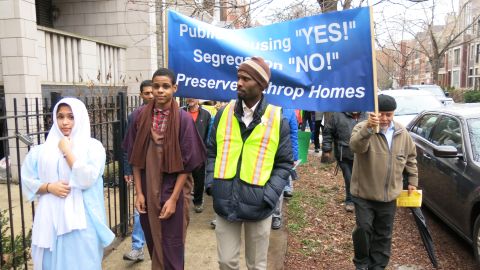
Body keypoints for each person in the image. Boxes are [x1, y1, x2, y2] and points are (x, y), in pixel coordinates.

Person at [205, 56, 293, 269]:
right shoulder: (223, 113)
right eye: (238, 77)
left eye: (246, 78)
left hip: (259, 203)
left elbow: (283, 164)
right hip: (225, 200)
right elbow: (211, 152)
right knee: (226, 262)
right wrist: (211, 184)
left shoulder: (277, 119)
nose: (239, 83)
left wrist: (269, 195)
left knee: (256, 265)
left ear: (262, 85)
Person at [125, 68, 206, 269]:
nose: (160, 91)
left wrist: (173, 199)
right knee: (153, 238)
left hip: (174, 189)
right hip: (147, 186)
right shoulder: (139, 117)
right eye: (156, 86)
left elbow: (187, 165)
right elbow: (135, 158)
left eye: (166, 86)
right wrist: (139, 193)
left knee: (172, 242)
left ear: (174, 88)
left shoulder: (183, 120)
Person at [21, 97, 115, 269]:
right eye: (60, 116)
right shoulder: (40, 151)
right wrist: (49, 187)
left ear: (80, 118)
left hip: (82, 223)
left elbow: (87, 178)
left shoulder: (93, 148)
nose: (65, 122)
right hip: (49, 222)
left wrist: (66, 151)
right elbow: (27, 181)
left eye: (71, 117)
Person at [349, 95, 418, 270]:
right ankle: (362, 262)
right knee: (364, 229)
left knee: (383, 234)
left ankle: (378, 265)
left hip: (389, 196)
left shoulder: (402, 133)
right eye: (382, 114)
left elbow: (411, 158)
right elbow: (356, 147)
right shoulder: (362, 128)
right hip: (364, 193)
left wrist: (412, 180)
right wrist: (368, 128)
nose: (385, 119)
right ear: (374, 113)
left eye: (389, 114)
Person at [122, 80, 153, 261]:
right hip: (142, 170)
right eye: (146, 93)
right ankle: (137, 247)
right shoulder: (134, 116)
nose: (150, 96)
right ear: (141, 94)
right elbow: (128, 146)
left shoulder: (167, 114)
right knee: (140, 207)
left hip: (163, 173)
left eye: (152, 92)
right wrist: (128, 169)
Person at [321, 112, 367, 212]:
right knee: (349, 178)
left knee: (363, 179)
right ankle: (350, 200)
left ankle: (362, 200)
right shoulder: (337, 115)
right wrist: (327, 149)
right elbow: (328, 132)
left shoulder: (367, 115)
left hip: (363, 155)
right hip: (344, 154)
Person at [183, 98, 211, 213]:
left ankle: (198, 202)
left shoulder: (206, 114)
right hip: (183, 153)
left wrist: (205, 149)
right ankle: (181, 202)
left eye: (193, 97)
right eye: (188, 97)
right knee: (181, 179)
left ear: (198, 99)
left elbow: (209, 133)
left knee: (199, 180)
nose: (190, 99)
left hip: (199, 153)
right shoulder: (181, 112)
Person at [272, 108, 298, 230]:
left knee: (278, 185)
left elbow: (293, 134)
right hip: (264, 151)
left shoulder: (289, 111)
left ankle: (276, 215)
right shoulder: (264, 106)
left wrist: (295, 156)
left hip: (283, 153)